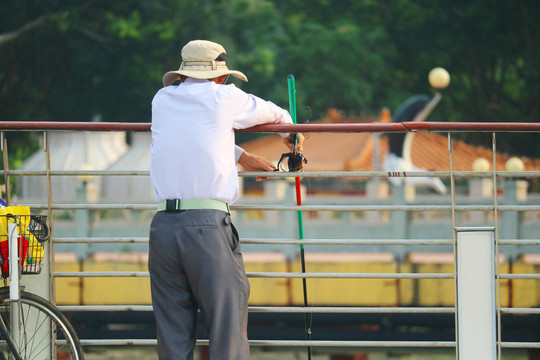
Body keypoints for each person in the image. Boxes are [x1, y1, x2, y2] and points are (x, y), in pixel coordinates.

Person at [149, 39, 303, 360]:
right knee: (227, 330)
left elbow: (191, 138)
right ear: (220, 76)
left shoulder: (162, 99)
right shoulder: (225, 96)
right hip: (206, 228)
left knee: (173, 337)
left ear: (182, 74)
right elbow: (279, 115)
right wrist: (292, 137)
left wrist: (240, 155)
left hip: (163, 228)